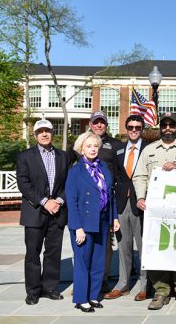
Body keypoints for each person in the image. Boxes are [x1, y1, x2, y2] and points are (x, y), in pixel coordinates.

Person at [133, 112, 176, 310]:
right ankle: (161, 291)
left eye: (172, 125)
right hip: (156, 209)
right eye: (165, 125)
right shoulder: (149, 150)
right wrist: (140, 197)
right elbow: (140, 176)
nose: (168, 128)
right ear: (160, 127)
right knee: (158, 248)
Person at [68, 110, 123, 293]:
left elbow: (111, 193)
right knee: (84, 260)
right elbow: (73, 201)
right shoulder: (76, 171)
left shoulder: (104, 169)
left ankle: (94, 294)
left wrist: (114, 217)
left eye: (95, 146)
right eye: (88, 146)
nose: (92, 149)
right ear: (81, 149)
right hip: (84, 221)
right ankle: (82, 298)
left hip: (102, 219)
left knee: (99, 261)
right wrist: (77, 227)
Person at [17, 119, 69, 305]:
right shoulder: (25, 156)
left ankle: (49, 288)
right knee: (33, 253)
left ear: (52, 133)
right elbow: (24, 184)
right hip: (35, 211)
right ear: (35, 135)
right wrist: (45, 201)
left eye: (47, 131)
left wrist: (59, 201)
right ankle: (33, 291)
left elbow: (67, 183)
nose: (44, 134)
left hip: (57, 212)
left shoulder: (63, 156)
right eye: (41, 131)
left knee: (53, 252)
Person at [104, 115, 149, 302]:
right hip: (122, 203)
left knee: (143, 246)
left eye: (137, 127)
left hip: (142, 203)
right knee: (123, 246)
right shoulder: (119, 151)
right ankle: (123, 284)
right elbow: (115, 177)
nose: (134, 130)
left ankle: (145, 285)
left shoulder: (149, 149)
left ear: (142, 129)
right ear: (126, 127)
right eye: (130, 126)